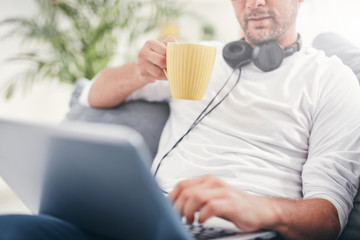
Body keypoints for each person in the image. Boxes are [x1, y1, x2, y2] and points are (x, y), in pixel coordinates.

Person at [1, 0, 359, 240]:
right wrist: (139, 72)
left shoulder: (332, 80)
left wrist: (256, 206)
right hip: (140, 221)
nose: (254, 2)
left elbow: (328, 217)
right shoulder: (197, 57)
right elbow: (94, 94)